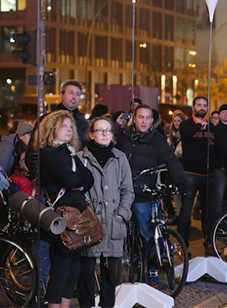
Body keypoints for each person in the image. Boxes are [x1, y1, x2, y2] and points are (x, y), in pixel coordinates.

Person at [115, 104, 186, 279]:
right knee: (116, 233)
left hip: (142, 193)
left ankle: (152, 271)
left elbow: (171, 160)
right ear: (134, 118)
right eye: (140, 117)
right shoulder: (122, 136)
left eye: (147, 118)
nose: (144, 121)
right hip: (121, 193)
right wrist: (116, 126)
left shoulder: (157, 140)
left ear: (152, 121)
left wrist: (180, 181)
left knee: (147, 234)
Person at [38, 110, 95, 308]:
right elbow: (72, 179)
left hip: (77, 217)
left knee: (73, 269)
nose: (69, 130)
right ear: (52, 129)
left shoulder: (68, 152)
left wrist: (78, 183)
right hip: (62, 218)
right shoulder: (49, 153)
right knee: (61, 270)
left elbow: (89, 178)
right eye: (64, 126)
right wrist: (78, 182)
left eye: (70, 126)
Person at [77, 117, 134, 308]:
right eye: (99, 130)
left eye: (108, 130)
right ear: (91, 134)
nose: (104, 134)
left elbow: (128, 190)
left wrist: (122, 215)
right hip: (89, 223)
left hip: (113, 222)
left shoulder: (120, 158)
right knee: (85, 274)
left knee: (111, 276)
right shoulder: (80, 158)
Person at [178, 96, 219, 251]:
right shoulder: (186, 125)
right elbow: (186, 136)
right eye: (199, 105)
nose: (202, 107)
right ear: (193, 107)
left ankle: (209, 243)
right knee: (185, 212)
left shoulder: (212, 127)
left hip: (208, 176)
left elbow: (216, 148)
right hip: (190, 175)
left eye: (204, 105)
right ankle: (183, 246)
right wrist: (199, 126)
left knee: (209, 213)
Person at [57, 80, 90, 148]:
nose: (74, 97)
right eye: (70, 93)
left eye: (77, 94)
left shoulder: (85, 124)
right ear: (61, 96)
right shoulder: (48, 120)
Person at [214, 104, 227, 215]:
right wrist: (218, 163)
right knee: (219, 198)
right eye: (223, 112)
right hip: (221, 168)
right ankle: (218, 225)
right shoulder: (215, 130)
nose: (225, 114)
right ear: (219, 115)